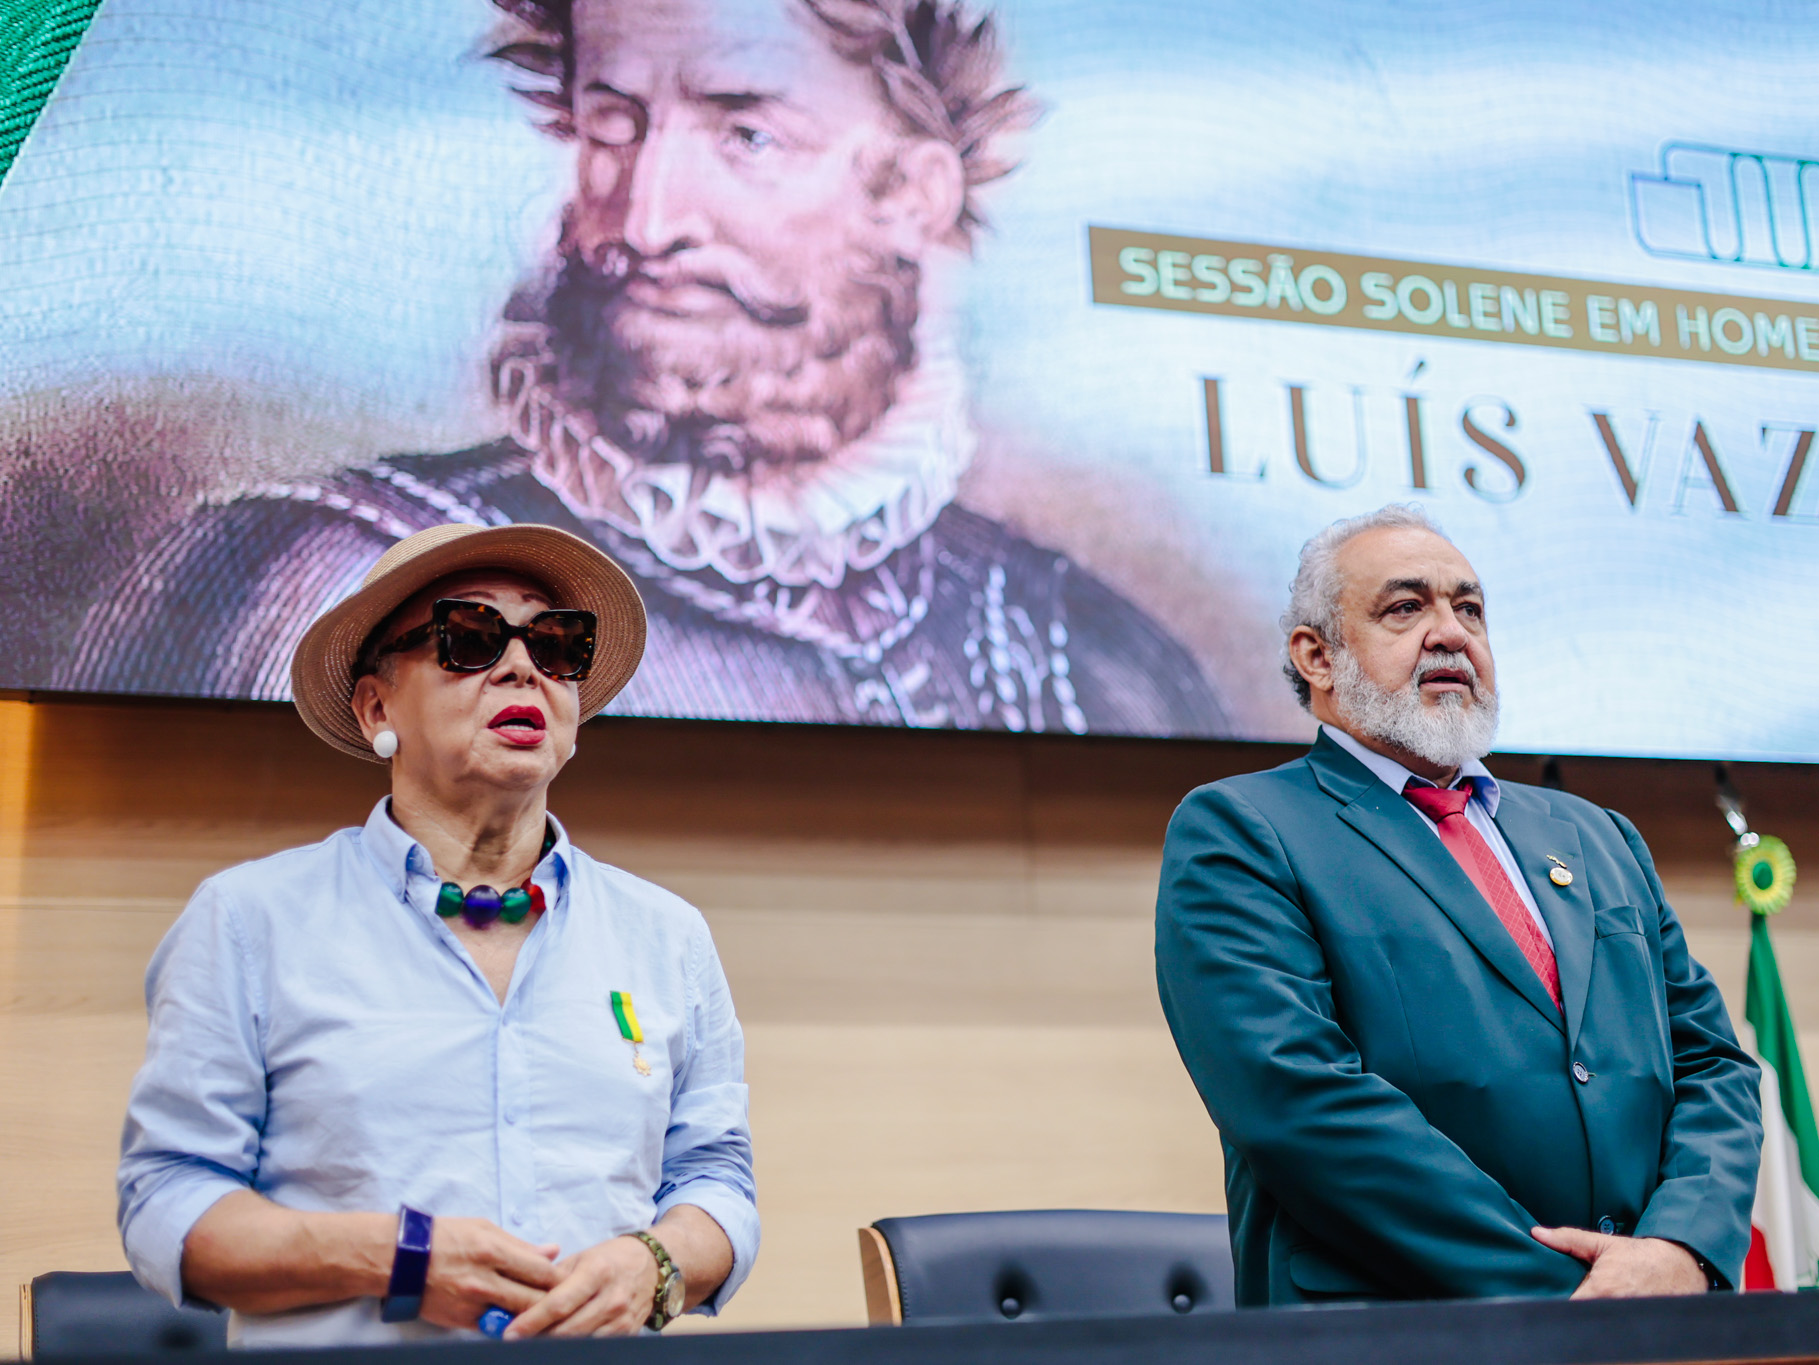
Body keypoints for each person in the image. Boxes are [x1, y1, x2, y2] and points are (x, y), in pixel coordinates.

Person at [55, 0, 1227, 738]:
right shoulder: (322, 578)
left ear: (909, 195)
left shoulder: (1090, 656)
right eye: (612, 125)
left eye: (746, 133)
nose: (645, 220)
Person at [116, 522, 757, 1347]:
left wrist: (656, 1263)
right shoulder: (249, 919)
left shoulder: (667, 935)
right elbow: (167, 1200)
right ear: (376, 706)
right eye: (472, 636)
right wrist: (399, 1257)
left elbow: (716, 1180)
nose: (523, 667)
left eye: (556, 643)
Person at [1153, 505, 1761, 1304]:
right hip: (1403, 1331)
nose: (1450, 633)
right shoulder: (1242, 831)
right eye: (1406, 608)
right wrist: (1573, 1294)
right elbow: (1299, 1102)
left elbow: (1711, 1063)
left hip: (1650, 1323)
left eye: (1469, 608)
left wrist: (1681, 1250)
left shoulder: (1597, 836)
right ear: (1317, 656)